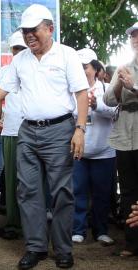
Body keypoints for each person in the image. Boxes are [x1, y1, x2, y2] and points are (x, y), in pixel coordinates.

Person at [0, 4, 88, 269]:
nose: (29, 36)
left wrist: (80, 130)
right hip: (28, 130)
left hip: (60, 130)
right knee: (28, 190)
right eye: (25, 31)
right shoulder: (20, 60)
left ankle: (62, 249)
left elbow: (81, 93)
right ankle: (36, 247)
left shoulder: (66, 55)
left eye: (34, 30)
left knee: (61, 191)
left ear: (49, 29)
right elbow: (0, 91)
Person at [71, 48, 116, 246]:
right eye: (79, 67)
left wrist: (97, 105)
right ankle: (78, 229)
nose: (82, 71)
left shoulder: (107, 89)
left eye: (86, 67)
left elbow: (115, 112)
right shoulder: (70, 90)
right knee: (77, 191)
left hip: (104, 151)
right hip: (78, 151)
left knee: (102, 193)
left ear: (96, 68)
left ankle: (101, 230)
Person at [103, 22, 138, 257]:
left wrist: (133, 86)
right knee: (127, 191)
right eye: (133, 36)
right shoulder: (123, 67)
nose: (135, 39)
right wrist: (119, 85)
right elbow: (108, 100)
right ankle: (131, 242)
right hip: (125, 137)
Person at [0, 31, 27, 240]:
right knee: (12, 179)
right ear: (11, 50)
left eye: (23, 48)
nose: (19, 52)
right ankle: (13, 223)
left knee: (33, 180)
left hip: (35, 130)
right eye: (16, 49)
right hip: (11, 130)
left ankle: (33, 222)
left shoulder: (37, 68)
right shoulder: (4, 71)